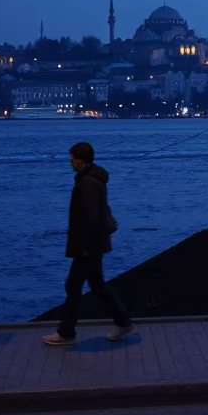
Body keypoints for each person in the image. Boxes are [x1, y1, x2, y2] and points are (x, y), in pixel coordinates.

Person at [43, 142, 136, 345]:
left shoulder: (87, 183)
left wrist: (84, 246)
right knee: (95, 284)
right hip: (94, 243)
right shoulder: (93, 180)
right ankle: (122, 322)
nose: (70, 161)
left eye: (72, 158)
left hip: (88, 244)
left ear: (80, 160)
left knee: (75, 285)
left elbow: (90, 217)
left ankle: (67, 332)